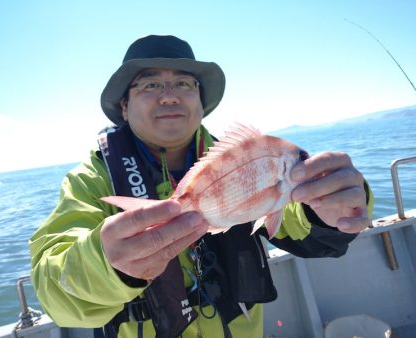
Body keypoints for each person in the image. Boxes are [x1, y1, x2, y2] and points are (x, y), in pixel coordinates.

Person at [30, 35, 373, 338]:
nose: (168, 97)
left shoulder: (240, 161)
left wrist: (330, 208)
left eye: (184, 84)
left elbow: (296, 220)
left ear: (200, 101)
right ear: (124, 105)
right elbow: (53, 288)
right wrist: (103, 264)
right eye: (149, 85)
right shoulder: (91, 179)